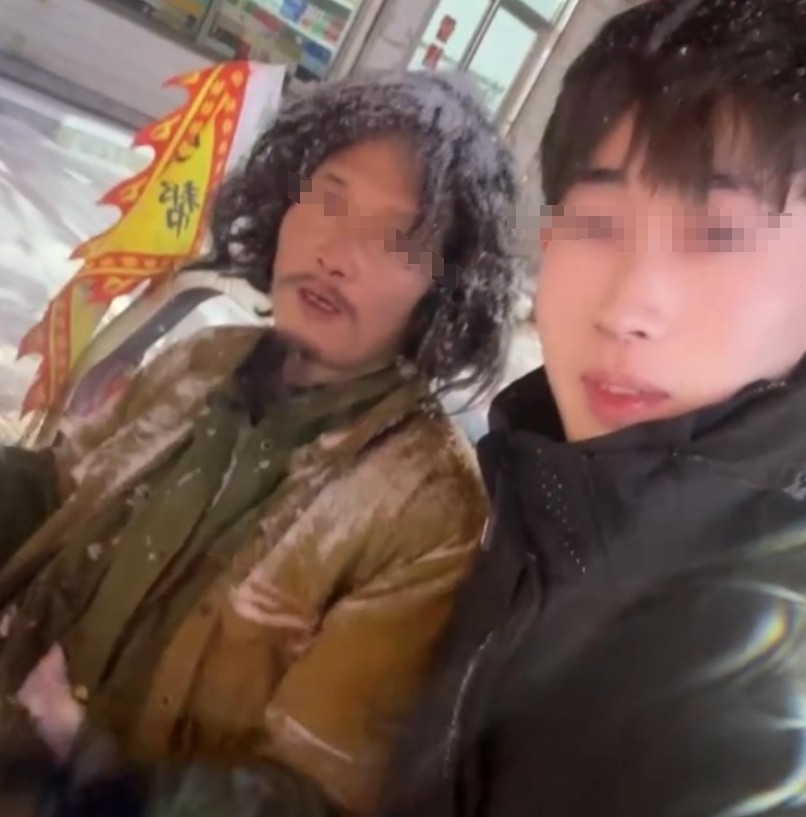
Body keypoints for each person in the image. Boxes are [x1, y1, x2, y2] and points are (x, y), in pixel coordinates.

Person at [0, 70, 520, 816]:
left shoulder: (430, 508)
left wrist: (94, 770)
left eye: (393, 239)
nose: (336, 253)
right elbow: (62, 486)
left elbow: (317, 792)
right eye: (328, 200)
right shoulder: (200, 362)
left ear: (442, 288)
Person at [379, 2, 806, 816]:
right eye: (599, 223)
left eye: (717, 235)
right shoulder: (540, 492)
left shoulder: (763, 692)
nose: (627, 306)